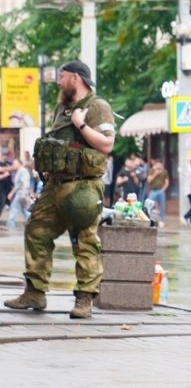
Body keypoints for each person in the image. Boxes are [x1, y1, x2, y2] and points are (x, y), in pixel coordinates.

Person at [4, 60, 115, 319]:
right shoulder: (61, 107)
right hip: (54, 185)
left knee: (85, 242)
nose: (58, 81)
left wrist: (81, 125)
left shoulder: (97, 107)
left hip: (82, 187)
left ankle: (84, 299)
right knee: (36, 231)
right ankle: (35, 292)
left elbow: (107, 145)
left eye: (62, 76)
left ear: (76, 78)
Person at [5, 159, 34, 231]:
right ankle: (33, 224)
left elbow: (24, 183)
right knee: (25, 210)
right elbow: (17, 185)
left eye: (15, 163)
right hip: (20, 192)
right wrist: (11, 193)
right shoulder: (19, 171)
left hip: (21, 192)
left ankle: (10, 225)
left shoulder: (23, 171)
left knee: (14, 208)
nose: (13, 165)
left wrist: (23, 193)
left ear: (19, 164)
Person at [146, 158, 169, 227]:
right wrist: (155, 174)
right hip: (153, 190)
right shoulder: (151, 171)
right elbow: (149, 180)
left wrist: (163, 189)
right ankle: (149, 219)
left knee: (162, 205)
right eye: (157, 164)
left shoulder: (164, 172)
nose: (159, 165)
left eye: (160, 164)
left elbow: (167, 182)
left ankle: (161, 220)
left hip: (160, 191)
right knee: (149, 205)